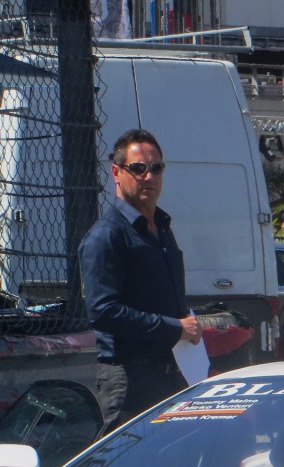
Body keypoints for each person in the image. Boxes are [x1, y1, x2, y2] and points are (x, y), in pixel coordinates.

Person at [79, 128, 201, 431]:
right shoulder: (106, 236)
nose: (149, 177)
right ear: (116, 173)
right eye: (138, 169)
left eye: (156, 168)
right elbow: (103, 312)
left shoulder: (162, 229)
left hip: (171, 374)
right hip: (129, 381)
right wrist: (175, 328)